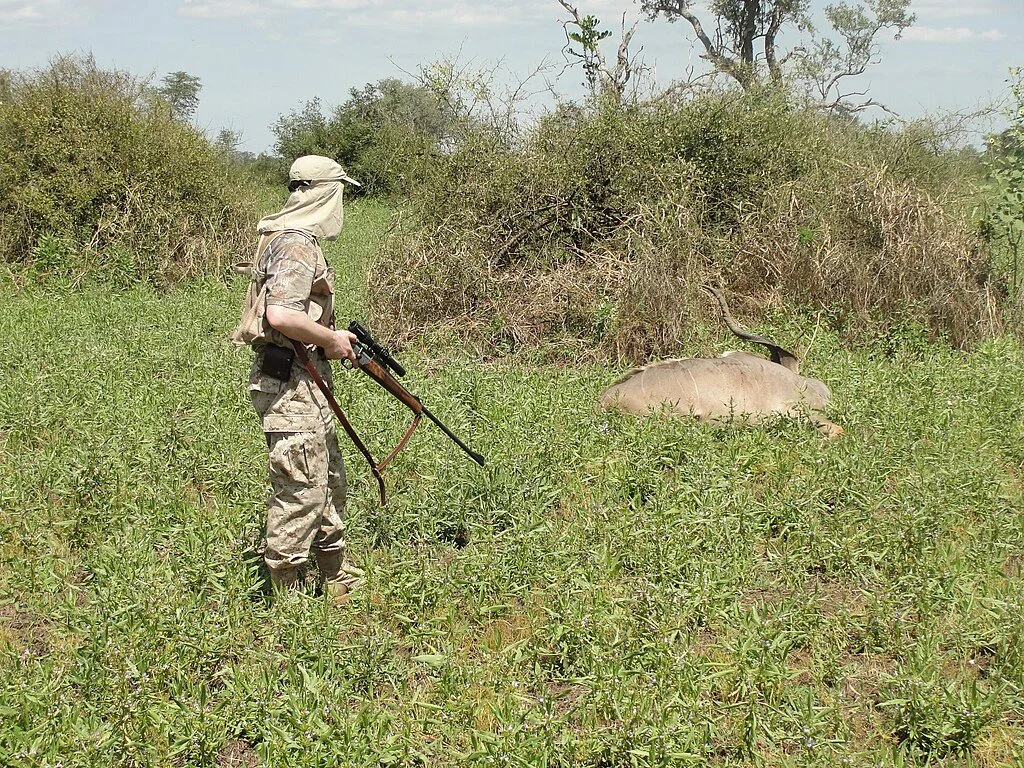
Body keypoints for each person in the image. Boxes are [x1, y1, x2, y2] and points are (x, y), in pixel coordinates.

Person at [231, 155, 363, 604]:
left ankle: (335, 574)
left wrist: (328, 339)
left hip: (305, 377)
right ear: (327, 192)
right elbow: (282, 314)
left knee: (328, 481)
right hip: (289, 383)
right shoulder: (295, 242)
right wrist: (330, 338)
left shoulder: (283, 236)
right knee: (302, 487)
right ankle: (286, 595)